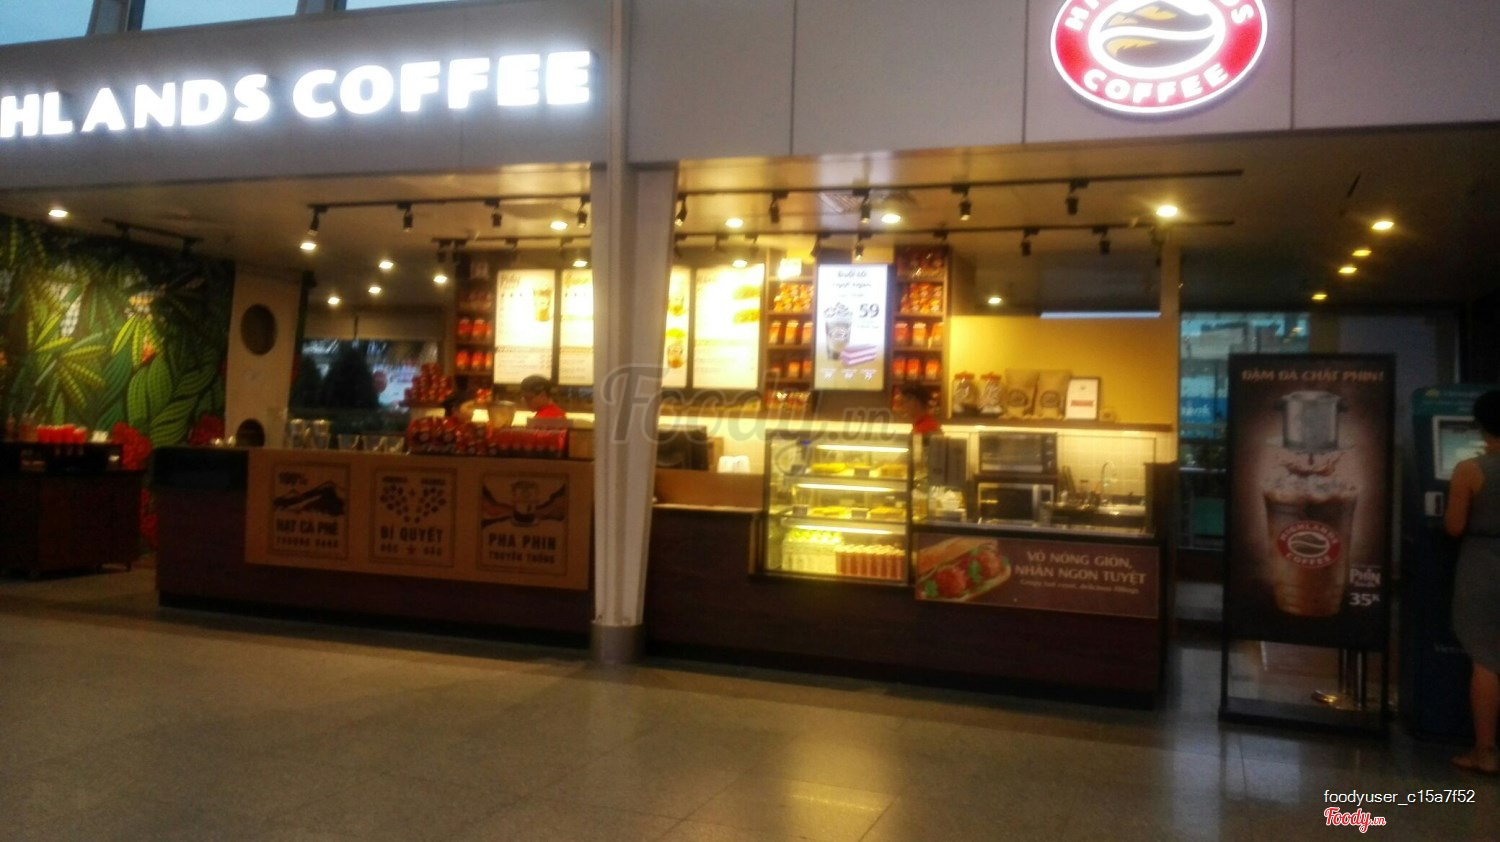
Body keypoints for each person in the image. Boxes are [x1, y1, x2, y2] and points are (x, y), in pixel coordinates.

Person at [1445, 389, 1500, 775]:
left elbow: (1454, 525)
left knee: (1485, 659)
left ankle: (1485, 752)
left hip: (1484, 565)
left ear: (1480, 425)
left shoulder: (1469, 469)